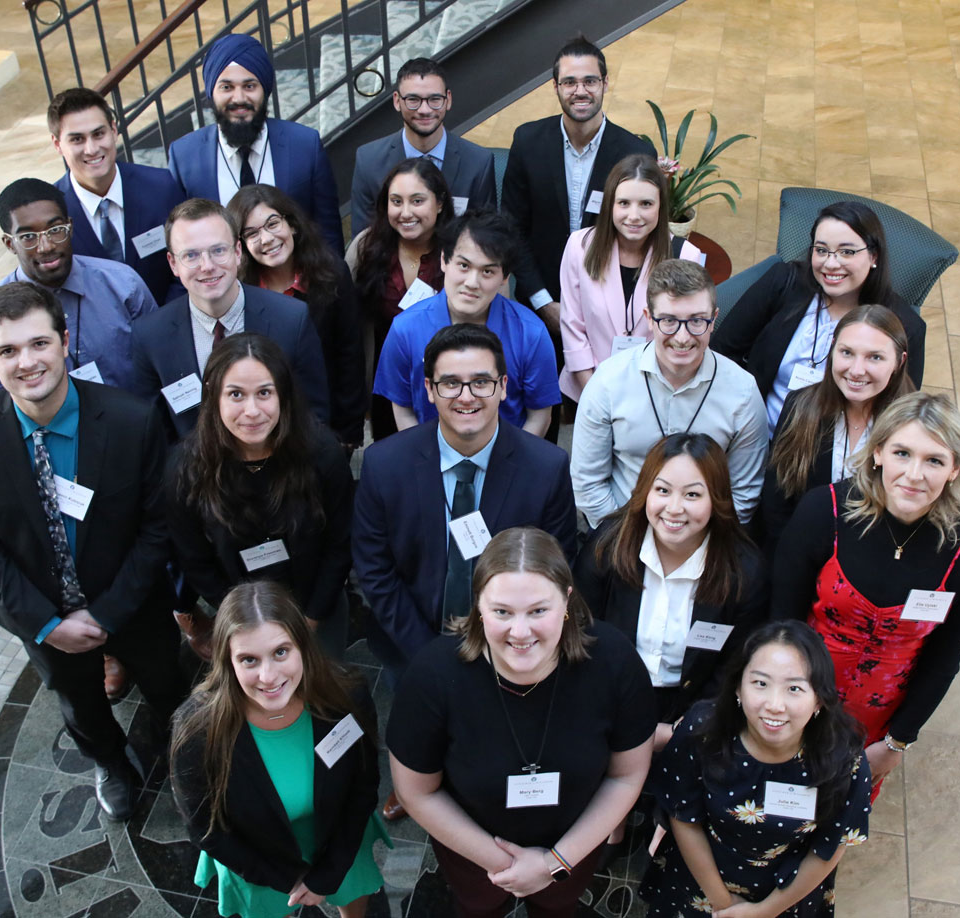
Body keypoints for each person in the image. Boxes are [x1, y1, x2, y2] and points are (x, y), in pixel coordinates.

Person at [0, 282, 184, 820]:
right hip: (41, 617)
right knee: (79, 704)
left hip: (131, 606)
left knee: (167, 686)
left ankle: (188, 752)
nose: (26, 362)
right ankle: (111, 763)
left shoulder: (131, 420)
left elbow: (156, 530)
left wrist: (105, 614)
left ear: (65, 341)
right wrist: (47, 622)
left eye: (38, 344)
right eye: (7, 351)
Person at [387, 527, 655, 918]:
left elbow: (626, 776)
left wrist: (554, 863)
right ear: (478, 605)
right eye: (502, 612)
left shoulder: (614, 663)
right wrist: (504, 865)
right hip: (473, 859)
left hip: (573, 853)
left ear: (566, 600)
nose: (520, 631)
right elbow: (417, 793)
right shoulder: (433, 675)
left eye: (538, 611)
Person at [771, 392, 960, 794]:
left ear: (954, 470)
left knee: (830, 823)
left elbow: (944, 660)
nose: (914, 475)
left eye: (934, 460)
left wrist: (896, 743)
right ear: (878, 453)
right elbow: (780, 621)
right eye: (902, 453)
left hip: (874, 730)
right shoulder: (824, 511)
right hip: (793, 697)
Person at [354, 323, 577, 674]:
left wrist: (506, 646)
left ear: (503, 387)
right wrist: (425, 656)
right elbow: (374, 568)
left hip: (512, 651)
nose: (466, 396)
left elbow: (556, 569)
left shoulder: (546, 468)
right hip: (410, 650)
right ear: (429, 389)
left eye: (481, 382)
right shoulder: (385, 464)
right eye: (450, 383)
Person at [170, 581, 388, 918]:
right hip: (257, 860)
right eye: (249, 660)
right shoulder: (197, 732)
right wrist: (289, 880)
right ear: (228, 661)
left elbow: (363, 787)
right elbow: (206, 828)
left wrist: (329, 873)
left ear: (303, 646)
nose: (269, 677)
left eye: (281, 652)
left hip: (340, 839)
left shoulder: (347, 697)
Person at [639, 620, 871, 918]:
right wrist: (722, 902)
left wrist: (764, 911)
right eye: (760, 683)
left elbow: (829, 847)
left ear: (819, 700)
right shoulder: (702, 729)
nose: (775, 705)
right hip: (701, 877)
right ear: (738, 687)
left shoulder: (846, 760)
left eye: (795, 689)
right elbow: (684, 817)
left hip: (786, 893)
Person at [166, 334, 353, 658]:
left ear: (284, 395)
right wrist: (243, 623)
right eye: (236, 394)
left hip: (317, 606)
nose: (251, 411)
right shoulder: (186, 469)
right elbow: (195, 560)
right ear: (213, 396)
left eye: (264, 393)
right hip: (240, 615)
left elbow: (340, 544)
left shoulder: (322, 454)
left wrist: (309, 620)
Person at [575, 434, 768, 749]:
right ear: (644, 492)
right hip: (607, 703)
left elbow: (737, 664)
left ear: (716, 499)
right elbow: (581, 637)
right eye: (662, 491)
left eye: (692, 495)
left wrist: (692, 722)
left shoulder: (745, 572)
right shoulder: (605, 550)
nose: (674, 508)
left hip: (694, 713)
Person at [571, 259, 767, 528]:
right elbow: (587, 482)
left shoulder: (743, 393)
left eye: (697, 321)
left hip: (706, 542)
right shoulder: (608, 381)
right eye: (669, 321)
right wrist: (622, 541)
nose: (683, 337)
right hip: (620, 533)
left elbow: (743, 494)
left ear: (714, 320)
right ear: (649, 318)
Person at [710, 201, 926, 436]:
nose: (831, 264)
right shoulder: (784, 282)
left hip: (832, 456)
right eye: (821, 250)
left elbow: (899, 415)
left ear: (874, 256)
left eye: (847, 252)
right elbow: (722, 351)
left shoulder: (906, 327)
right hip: (752, 433)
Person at [129, 197, 330, 440]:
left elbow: (312, 415)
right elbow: (155, 435)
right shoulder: (150, 336)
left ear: (237, 252)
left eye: (218, 250)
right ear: (173, 264)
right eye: (191, 255)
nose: (207, 266)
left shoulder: (291, 319)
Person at [502, 35, 656, 337]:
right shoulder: (527, 142)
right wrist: (544, 303)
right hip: (537, 308)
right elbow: (512, 229)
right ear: (556, 87)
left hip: (610, 312)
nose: (580, 91)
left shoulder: (635, 154)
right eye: (569, 82)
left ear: (605, 83)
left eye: (590, 81)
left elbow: (642, 239)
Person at [373, 208, 560, 436]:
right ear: (444, 260)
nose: (472, 282)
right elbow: (403, 409)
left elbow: (540, 415)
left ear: (505, 277)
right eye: (464, 266)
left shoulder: (531, 334)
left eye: (488, 271)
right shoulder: (405, 329)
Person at [0, 178, 158, 395]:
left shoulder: (123, 284)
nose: (46, 246)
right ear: (10, 244)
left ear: (71, 227)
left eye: (56, 230)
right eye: (28, 237)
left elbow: (160, 363)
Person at [166, 33, 344, 253]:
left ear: (265, 91)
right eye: (227, 87)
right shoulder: (184, 156)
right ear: (211, 93)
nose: (239, 98)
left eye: (249, 86)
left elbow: (328, 235)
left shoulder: (305, 145)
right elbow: (180, 239)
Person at [761, 305, 915, 554]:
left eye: (875, 357)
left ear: (899, 361)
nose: (856, 370)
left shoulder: (914, 426)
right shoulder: (800, 406)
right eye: (846, 353)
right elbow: (777, 499)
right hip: (802, 553)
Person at [228, 184, 367, 448]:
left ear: (291, 224)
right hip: (261, 428)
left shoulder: (331, 273)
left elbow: (349, 354)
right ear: (241, 245)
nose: (267, 239)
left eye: (272, 224)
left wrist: (349, 430)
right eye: (252, 233)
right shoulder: (239, 290)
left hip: (326, 423)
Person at [559, 153, 702, 400]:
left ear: (661, 206)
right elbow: (572, 324)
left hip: (655, 395)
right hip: (588, 388)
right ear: (610, 205)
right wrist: (594, 394)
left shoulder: (686, 255)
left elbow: (683, 336)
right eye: (623, 203)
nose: (633, 216)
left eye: (646, 204)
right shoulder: (579, 246)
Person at [48, 87, 186, 305]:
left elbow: (189, 259)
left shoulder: (161, 187)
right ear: (58, 144)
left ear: (113, 130)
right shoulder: (50, 210)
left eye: (98, 134)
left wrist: (165, 322)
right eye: (77, 139)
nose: (91, 149)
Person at [350, 157, 455, 441]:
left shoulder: (460, 249)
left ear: (440, 203)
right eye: (396, 201)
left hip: (451, 384)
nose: (405, 212)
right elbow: (347, 322)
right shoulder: (365, 247)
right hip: (387, 382)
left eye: (417, 201)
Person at [350, 57, 496, 236]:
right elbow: (364, 240)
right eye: (413, 99)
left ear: (448, 100)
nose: (424, 110)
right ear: (397, 101)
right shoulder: (369, 161)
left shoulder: (478, 163)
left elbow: (485, 239)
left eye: (435, 99)